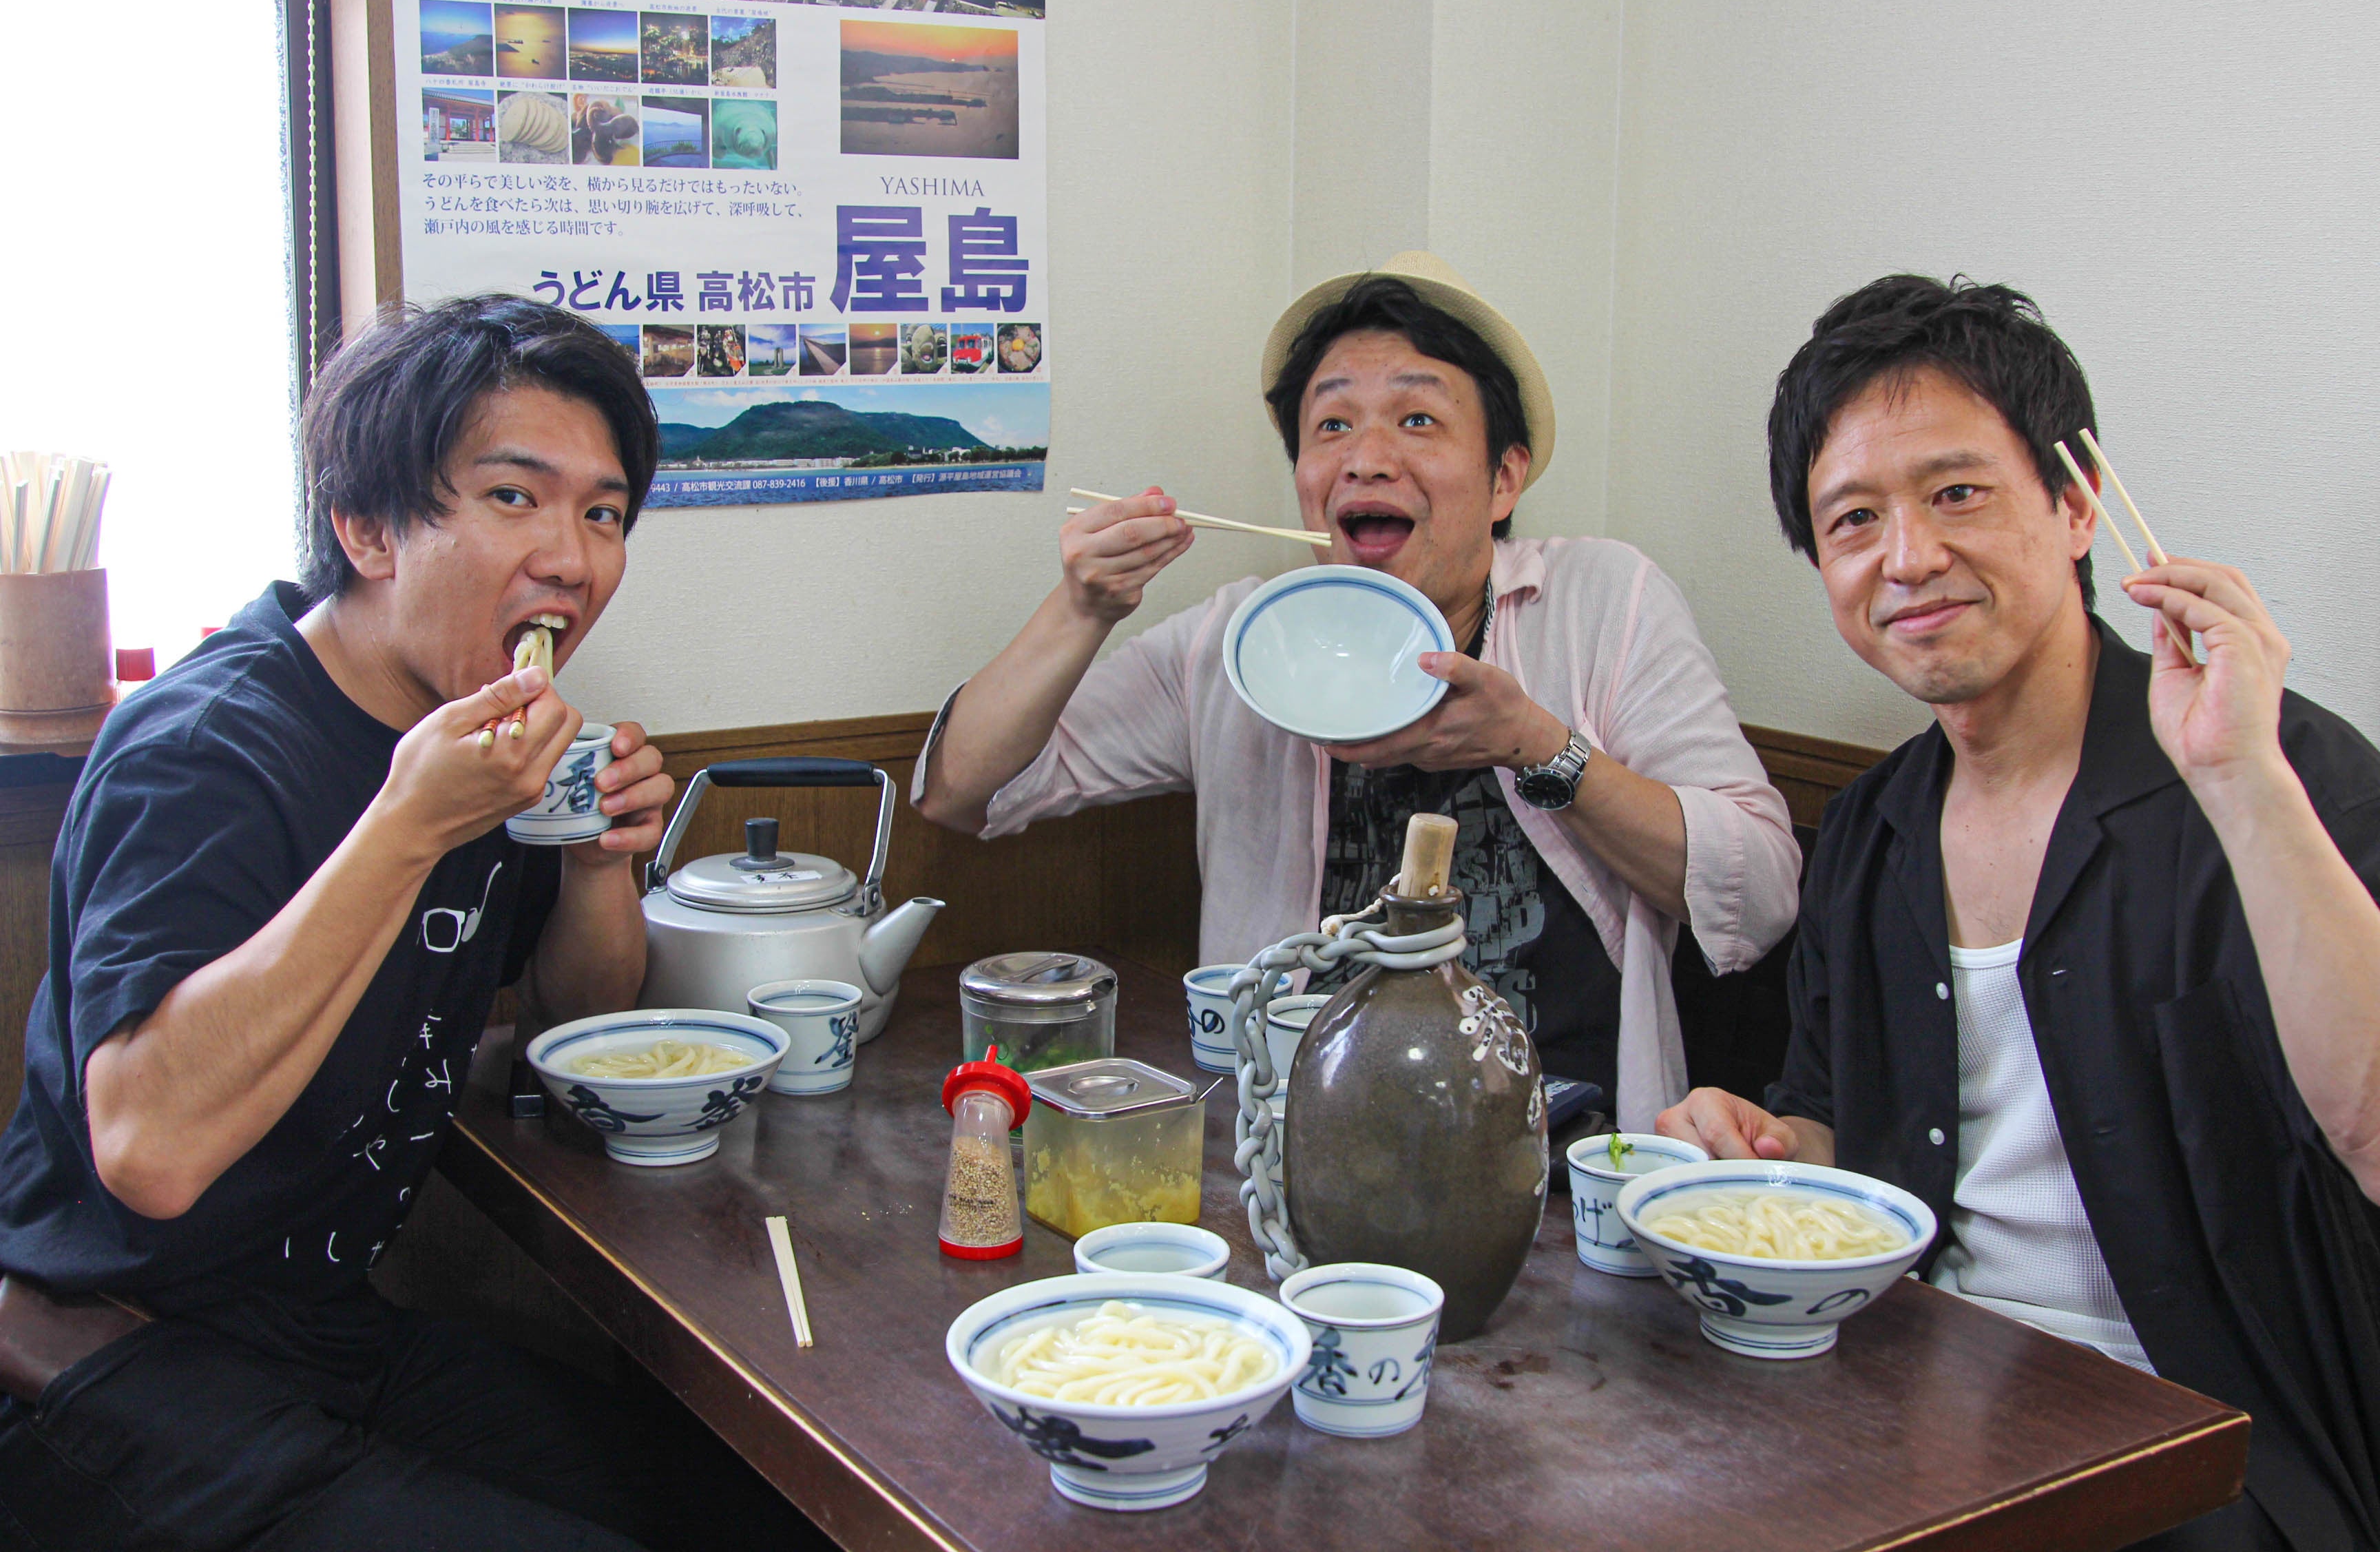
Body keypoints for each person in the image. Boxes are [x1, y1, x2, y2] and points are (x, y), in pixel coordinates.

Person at [1656, 275, 2380, 1551]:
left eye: (1957, 493)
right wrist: (1759, 1145)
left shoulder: (2283, 773)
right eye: (1853, 519)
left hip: (2219, 1453)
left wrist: (2243, 782)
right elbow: (1834, 1127)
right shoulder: (1871, 830)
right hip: (1911, 1388)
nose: (1908, 557)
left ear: (2078, 501)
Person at [0, 296, 683, 1549]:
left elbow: (572, 1023)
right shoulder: (209, 746)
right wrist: (408, 824)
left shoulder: (478, 732)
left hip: (321, 1330)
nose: (573, 559)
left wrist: (598, 865)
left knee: (730, 1501)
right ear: (366, 526)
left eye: (604, 513)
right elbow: (150, 1149)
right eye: (514, 497)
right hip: (101, 1352)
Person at [917, 251, 1799, 1130]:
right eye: (1332, 425)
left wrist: (1538, 747)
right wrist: (1082, 608)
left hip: (1560, 1156)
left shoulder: (1605, 601)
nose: (1367, 459)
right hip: (1290, 1149)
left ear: (1504, 479)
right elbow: (964, 791)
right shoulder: (1239, 642)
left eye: (1418, 419)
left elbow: (1760, 894)